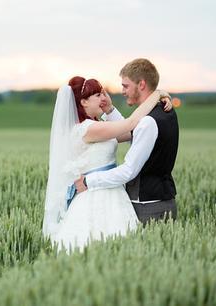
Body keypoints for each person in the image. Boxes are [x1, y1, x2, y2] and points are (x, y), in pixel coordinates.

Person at [42, 75, 171, 251]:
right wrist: (156, 95)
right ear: (84, 102)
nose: (103, 98)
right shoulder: (88, 129)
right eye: (97, 95)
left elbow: (129, 133)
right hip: (95, 194)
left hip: (111, 189)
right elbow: (131, 124)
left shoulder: (98, 125)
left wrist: (110, 109)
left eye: (102, 93)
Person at [75, 58, 179, 224]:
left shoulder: (147, 122)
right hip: (161, 200)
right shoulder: (165, 112)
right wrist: (109, 110)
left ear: (142, 85)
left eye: (126, 85)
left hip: (147, 207)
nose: (122, 91)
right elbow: (129, 131)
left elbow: (129, 170)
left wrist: (88, 181)